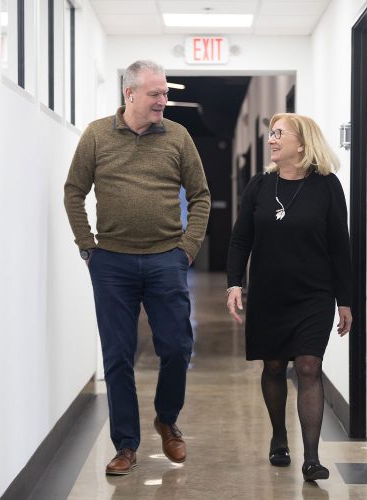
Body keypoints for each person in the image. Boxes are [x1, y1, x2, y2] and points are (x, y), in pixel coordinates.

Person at [64, 60, 210, 475]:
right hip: (111, 262)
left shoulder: (178, 137)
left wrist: (187, 248)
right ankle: (125, 445)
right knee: (117, 356)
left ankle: (167, 418)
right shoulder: (96, 135)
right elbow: (74, 192)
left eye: (165, 93)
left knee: (177, 347)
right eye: (155, 93)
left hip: (167, 258)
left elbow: (200, 196)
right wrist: (88, 247)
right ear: (130, 94)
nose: (164, 100)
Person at [226, 113, 352, 482]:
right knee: (276, 367)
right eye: (271, 134)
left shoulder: (327, 186)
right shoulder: (259, 186)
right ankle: (279, 436)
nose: (272, 140)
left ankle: (311, 458)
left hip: (314, 293)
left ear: (302, 142)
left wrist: (345, 300)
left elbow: (340, 248)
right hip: (269, 291)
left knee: (310, 367)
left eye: (280, 134)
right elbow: (240, 239)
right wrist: (234, 284)